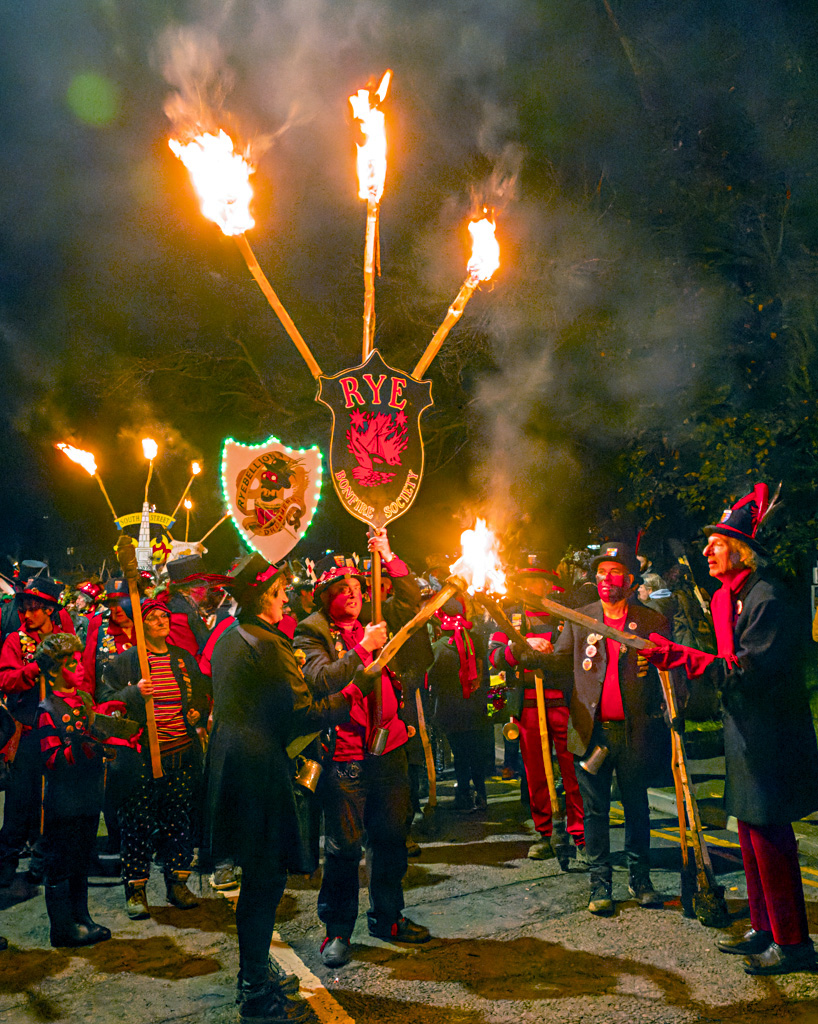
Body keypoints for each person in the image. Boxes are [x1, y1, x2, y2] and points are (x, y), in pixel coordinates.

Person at [645, 484, 818, 975]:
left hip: (771, 733)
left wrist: (682, 656)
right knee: (746, 830)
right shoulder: (728, 596)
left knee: (769, 834)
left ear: (740, 551)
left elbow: (743, 670)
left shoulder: (766, 599)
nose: (706, 551)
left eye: (716, 544)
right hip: (743, 728)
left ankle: (794, 943)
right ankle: (765, 927)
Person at [206, 554, 376, 1022]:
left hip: (233, 767)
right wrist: (357, 685)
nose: (287, 600)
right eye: (282, 593)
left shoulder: (227, 638)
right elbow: (303, 714)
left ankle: (257, 972)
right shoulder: (269, 645)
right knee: (264, 883)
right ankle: (255, 992)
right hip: (259, 773)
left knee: (259, 883)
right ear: (265, 597)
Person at [294, 531, 429, 969]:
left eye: (357, 587)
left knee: (391, 840)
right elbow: (321, 680)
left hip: (389, 748)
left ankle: (388, 917)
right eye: (342, 589)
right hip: (346, 755)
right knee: (344, 849)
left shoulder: (380, 615)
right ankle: (337, 931)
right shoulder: (311, 631)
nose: (353, 594)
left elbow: (413, 599)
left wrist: (388, 554)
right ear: (324, 596)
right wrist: (363, 647)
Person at [547, 540, 676, 915]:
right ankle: (600, 883)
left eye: (614, 573)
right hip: (590, 732)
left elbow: (669, 672)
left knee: (637, 806)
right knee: (595, 810)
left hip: (634, 732)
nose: (606, 579)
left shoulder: (651, 621)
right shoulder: (580, 617)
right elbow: (556, 665)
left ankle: (641, 879)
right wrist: (527, 654)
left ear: (630, 580)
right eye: (601, 572)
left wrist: (674, 708)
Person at [99, 597, 210, 918]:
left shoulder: (182, 659)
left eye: (165, 616)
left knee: (178, 822)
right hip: (142, 758)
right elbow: (105, 700)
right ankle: (136, 890)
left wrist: (196, 712)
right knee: (137, 824)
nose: (162, 621)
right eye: (154, 617)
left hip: (180, 754)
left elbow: (202, 693)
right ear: (141, 624)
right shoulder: (127, 661)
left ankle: (177, 882)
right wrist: (134, 694)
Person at [490, 556, 585, 867]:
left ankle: (581, 835)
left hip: (566, 706)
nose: (533, 586)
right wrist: (520, 647)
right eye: (527, 581)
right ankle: (545, 833)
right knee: (536, 775)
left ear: (549, 584)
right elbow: (494, 657)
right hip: (528, 708)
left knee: (574, 773)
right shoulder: (509, 617)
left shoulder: (565, 615)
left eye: (539, 580)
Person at [34, 633, 111, 947]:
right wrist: (79, 746)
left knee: (81, 860)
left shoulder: (85, 701)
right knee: (62, 864)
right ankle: (63, 928)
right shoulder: (46, 710)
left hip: (88, 797)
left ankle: (83, 918)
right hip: (64, 802)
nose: (80, 667)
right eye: (72, 663)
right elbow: (51, 760)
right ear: (54, 671)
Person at [0, 576, 75, 887]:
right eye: (24, 609)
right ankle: (6, 862)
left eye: (33, 609)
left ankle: (45, 861)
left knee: (56, 799)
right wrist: (34, 668)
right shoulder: (14, 642)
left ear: (48, 610)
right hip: (28, 731)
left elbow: (77, 678)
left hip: (58, 732)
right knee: (20, 800)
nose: (26, 615)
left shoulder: (66, 641)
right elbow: (5, 681)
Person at [428, 597, 488, 812]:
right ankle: (481, 794)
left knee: (461, 754)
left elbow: (430, 679)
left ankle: (463, 795)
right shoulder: (475, 639)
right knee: (475, 752)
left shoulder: (437, 647)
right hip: (474, 706)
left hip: (451, 708)